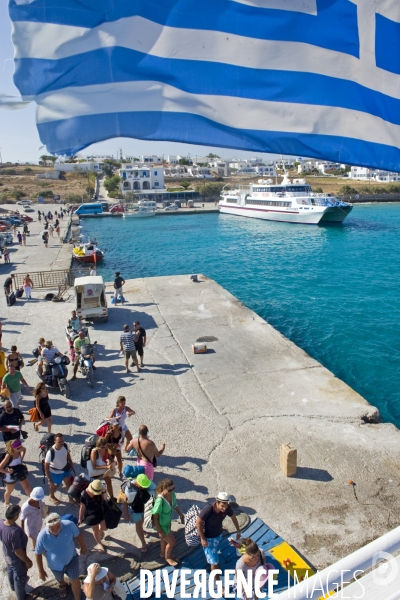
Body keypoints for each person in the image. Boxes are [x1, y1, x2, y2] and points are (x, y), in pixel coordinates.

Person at [35, 512, 87, 600]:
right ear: (47, 526)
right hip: (55, 566)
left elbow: (78, 535)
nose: (55, 530)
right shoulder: (42, 536)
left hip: (72, 559)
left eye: (58, 527)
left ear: (61, 522)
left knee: (75, 580)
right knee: (59, 578)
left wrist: (83, 547)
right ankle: (62, 584)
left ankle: (77, 598)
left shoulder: (69, 525)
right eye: (52, 528)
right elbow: (38, 553)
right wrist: (41, 570)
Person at [197, 492, 241, 582]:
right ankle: (219, 584)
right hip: (208, 539)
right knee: (214, 562)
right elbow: (198, 522)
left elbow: (233, 517)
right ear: (217, 502)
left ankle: (210, 559)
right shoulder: (208, 509)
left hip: (218, 535)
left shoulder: (227, 508)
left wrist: (238, 530)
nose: (224, 508)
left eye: (226, 506)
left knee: (213, 556)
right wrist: (203, 538)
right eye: (222, 506)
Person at [0, 504, 33, 600]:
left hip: (7, 554)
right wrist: (28, 561)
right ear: (15, 516)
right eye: (18, 514)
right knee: (20, 578)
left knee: (10, 569)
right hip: (17, 560)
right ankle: (22, 597)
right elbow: (18, 551)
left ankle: (13, 587)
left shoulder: (1, 522)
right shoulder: (14, 532)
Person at [152, 478, 185, 567]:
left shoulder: (172, 494)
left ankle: (163, 554)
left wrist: (180, 514)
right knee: (172, 543)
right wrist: (160, 531)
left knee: (164, 540)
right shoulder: (160, 500)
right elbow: (155, 517)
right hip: (162, 525)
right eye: (169, 490)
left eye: (173, 488)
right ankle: (168, 557)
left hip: (168, 522)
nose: (171, 491)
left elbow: (174, 505)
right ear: (163, 489)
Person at [123, 473, 155, 552]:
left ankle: (142, 530)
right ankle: (144, 544)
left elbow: (153, 488)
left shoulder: (145, 484)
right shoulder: (129, 489)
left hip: (142, 506)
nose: (146, 487)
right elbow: (125, 502)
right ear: (138, 484)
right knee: (138, 525)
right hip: (134, 509)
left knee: (142, 520)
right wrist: (126, 514)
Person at [44, 433, 74, 504]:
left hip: (65, 469)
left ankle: (70, 498)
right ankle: (51, 496)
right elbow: (46, 466)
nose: (61, 443)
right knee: (55, 485)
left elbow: (67, 454)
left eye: (62, 441)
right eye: (59, 442)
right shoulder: (51, 452)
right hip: (55, 472)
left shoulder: (65, 446)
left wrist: (71, 462)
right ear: (54, 441)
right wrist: (49, 479)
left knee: (68, 482)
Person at [78, 479, 108, 552]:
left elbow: (105, 500)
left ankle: (100, 531)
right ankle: (99, 544)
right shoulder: (84, 495)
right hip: (90, 515)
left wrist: (104, 491)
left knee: (104, 528)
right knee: (95, 531)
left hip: (100, 511)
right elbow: (82, 507)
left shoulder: (101, 490)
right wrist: (80, 518)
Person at [0, 439, 32, 505]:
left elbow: (24, 449)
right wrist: (8, 472)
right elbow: (0, 468)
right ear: (13, 448)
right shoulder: (9, 456)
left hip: (19, 471)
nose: (20, 448)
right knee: (9, 491)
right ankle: (6, 502)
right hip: (10, 476)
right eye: (18, 448)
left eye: (20, 446)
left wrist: (21, 459)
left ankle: (34, 501)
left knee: (27, 487)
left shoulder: (20, 449)